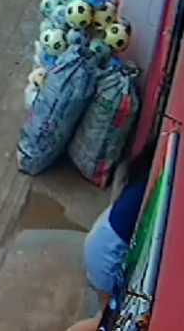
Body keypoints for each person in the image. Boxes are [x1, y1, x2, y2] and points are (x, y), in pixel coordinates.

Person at [63, 139, 158, 331]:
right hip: (107, 253)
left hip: (103, 241)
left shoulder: (147, 174)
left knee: (105, 319)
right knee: (108, 323)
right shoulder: (152, 187)